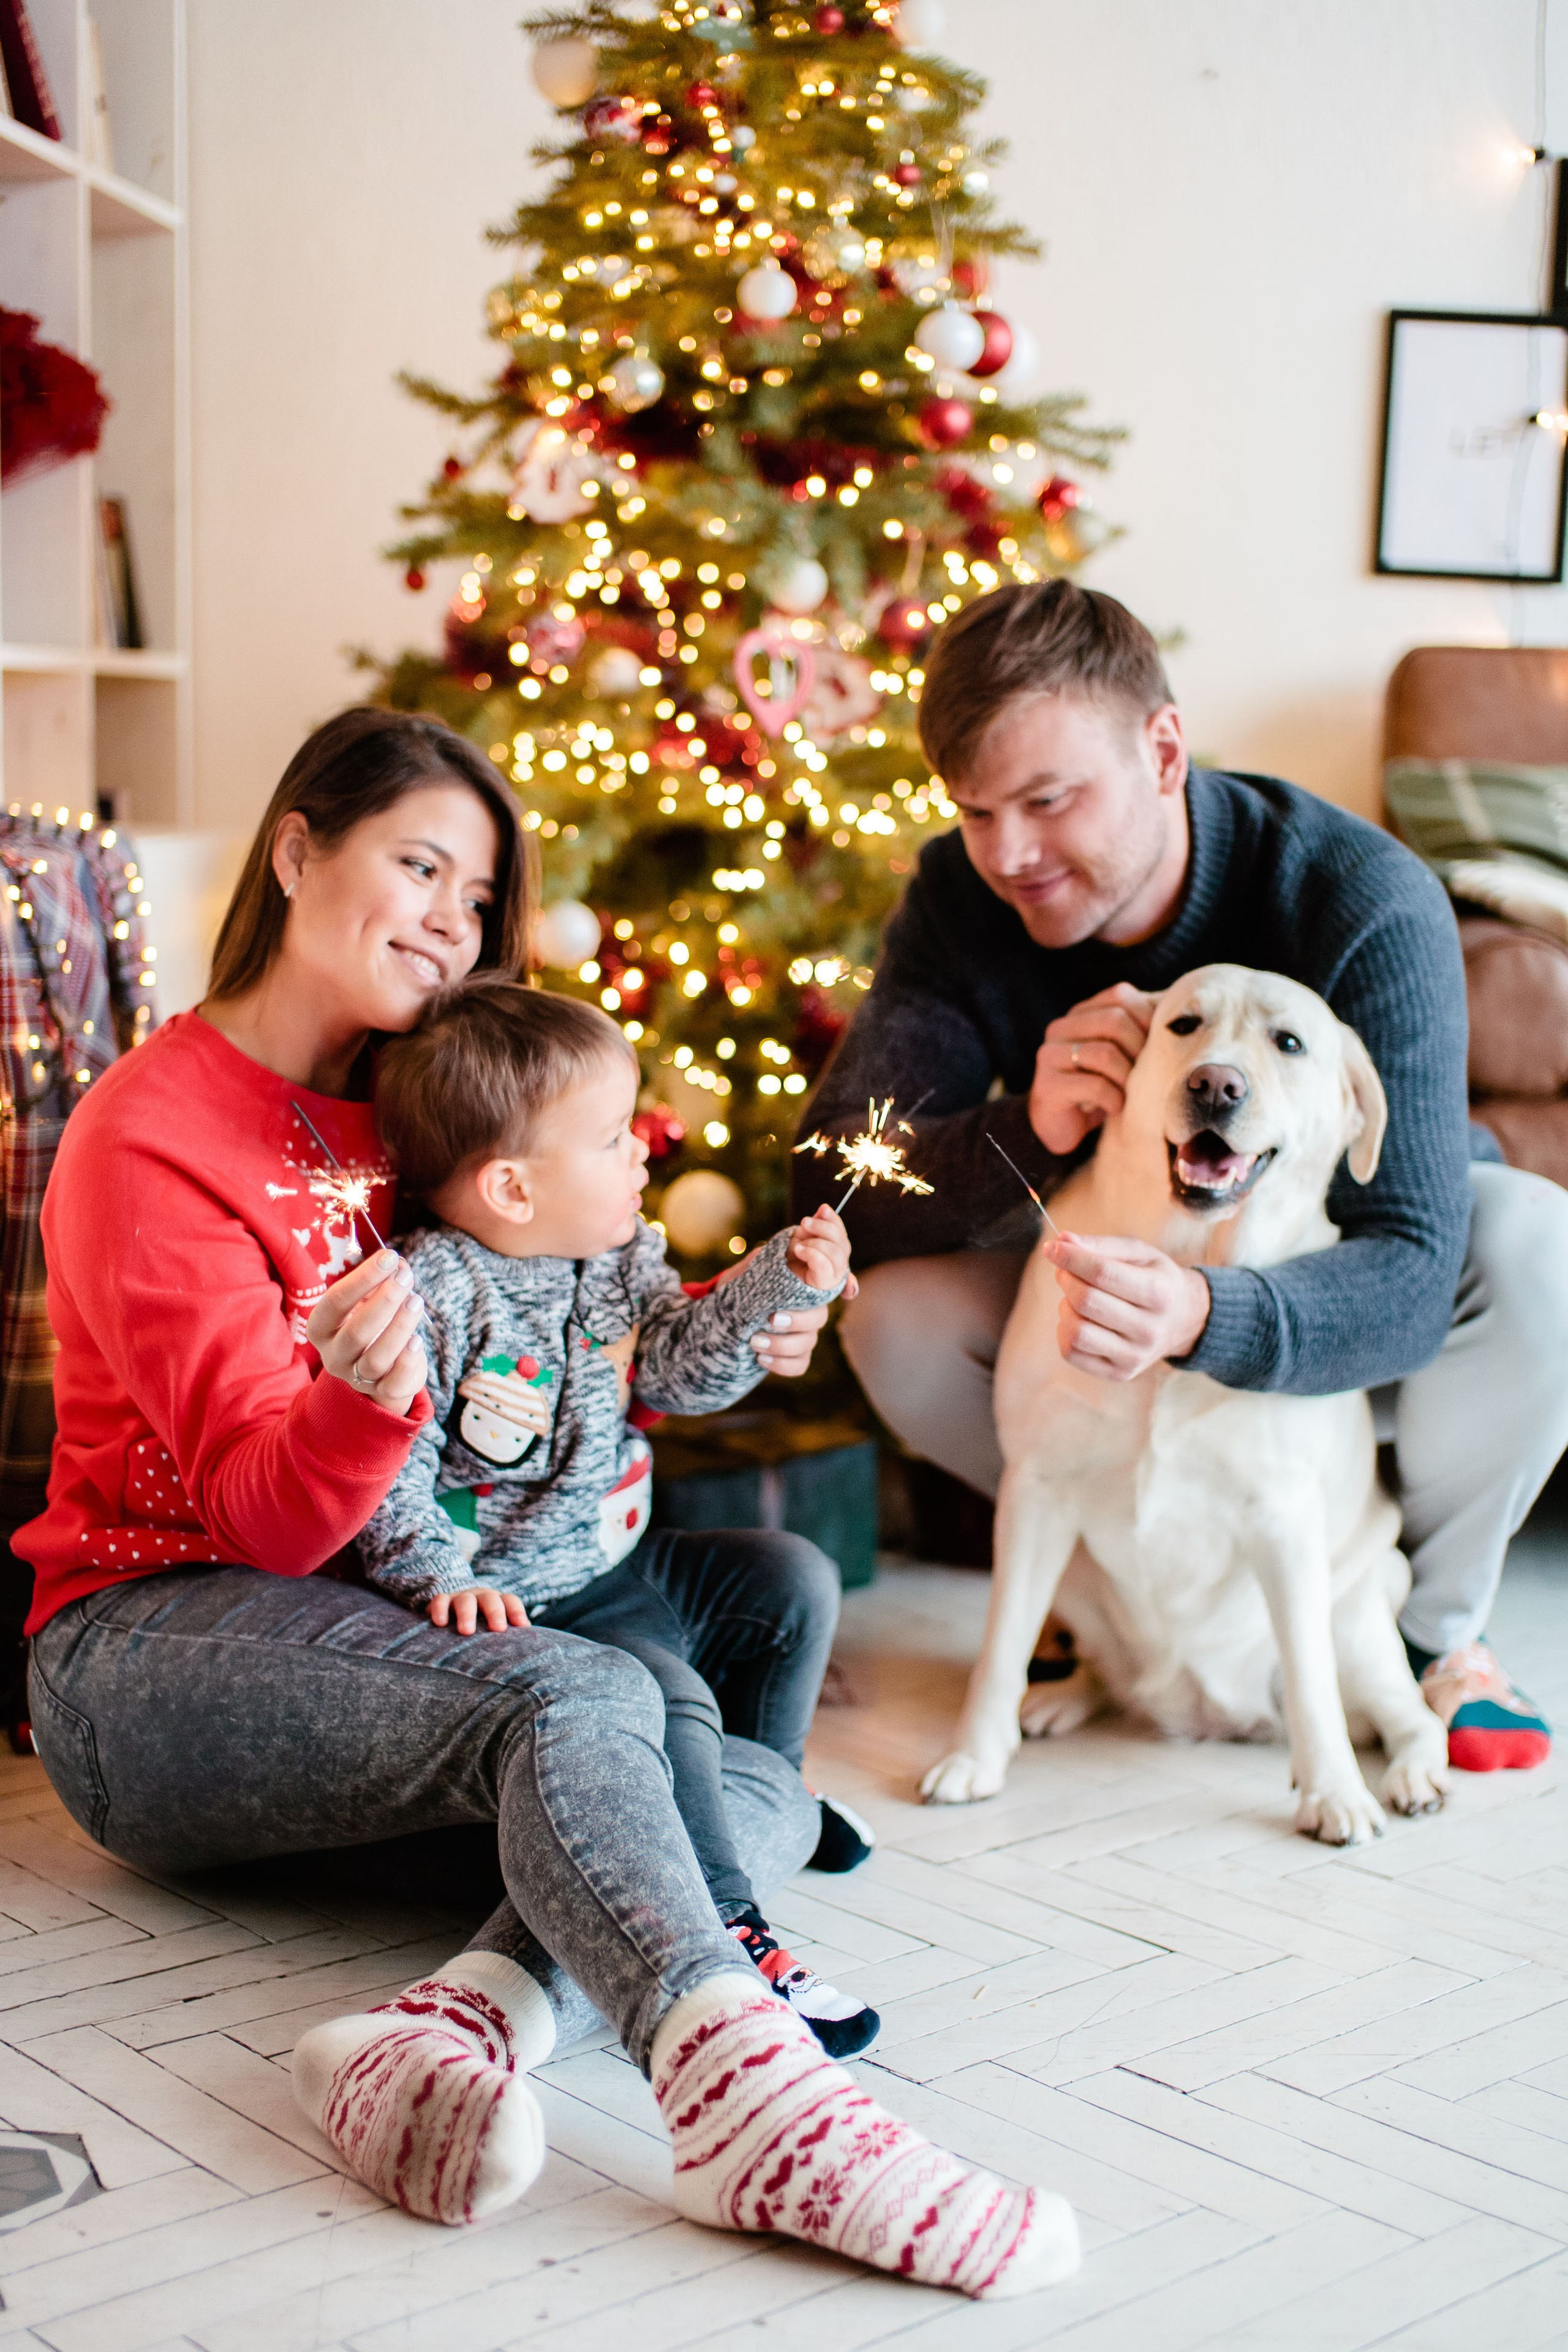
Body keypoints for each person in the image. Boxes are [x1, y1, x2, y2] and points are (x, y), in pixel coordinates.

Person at [15, 706, 1077, 2297]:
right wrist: (362, 1401)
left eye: (477, 893)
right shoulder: (152, 1139)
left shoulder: (447, 1103)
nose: (451, 919)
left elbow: (545, 1392)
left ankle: (453, 2026)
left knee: (754, 1616)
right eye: (417, 866)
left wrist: (733, 1325)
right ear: (296, 850)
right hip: (155, 1650)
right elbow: (265, 1520)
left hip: (398, 1618)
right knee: (598, 1701)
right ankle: (749, 2109)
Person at [795, 582, 1566, 1771]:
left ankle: (1429, 1636)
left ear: (1162, 751)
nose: (1008, 854)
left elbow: (1413, 1272)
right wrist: (1027, 1128)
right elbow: (832, 1181)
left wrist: (1205, 1313)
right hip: (1100, 1291)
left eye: (1048, 800)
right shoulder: (960, 897)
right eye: (975, 811)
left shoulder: (1357, 895)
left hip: (1333, 1290)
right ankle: (1107, 1588)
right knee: (893, 1318)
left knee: (1533, 1244)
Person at [362, 974, 879, 2058]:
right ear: (511, 1187)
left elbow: (681, 1371)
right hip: (526, 1603)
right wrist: (440, 1576)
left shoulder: (620, 1254)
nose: (643, 1148)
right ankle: (730, 1928)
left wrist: (776, 1283)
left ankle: (771, 1794)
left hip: (614, 1554)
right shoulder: (434, 1291)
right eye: (610, 1139)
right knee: (667, 1695)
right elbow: (389, 1464)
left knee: (793, 1577)